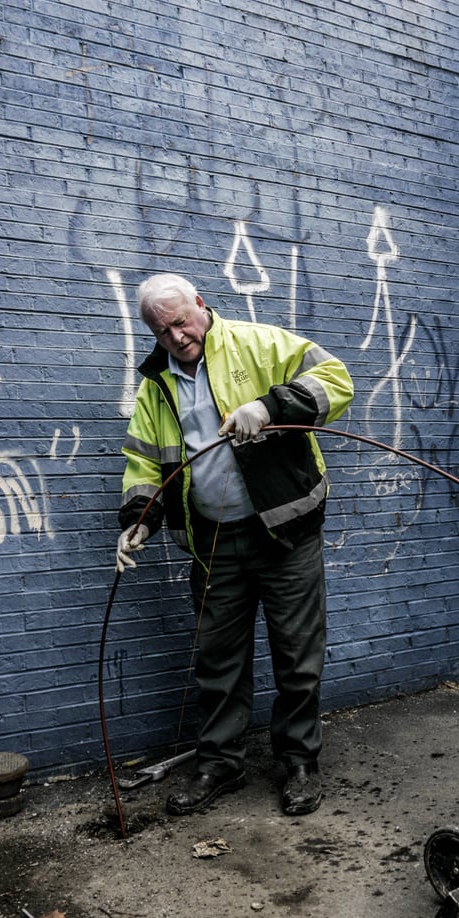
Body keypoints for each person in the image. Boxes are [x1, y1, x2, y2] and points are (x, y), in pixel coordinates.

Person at [116, 273, 354, 817]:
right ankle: (219, 763)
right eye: (162, 329)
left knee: (297, 656)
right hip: (214, 543)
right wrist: (141, 519)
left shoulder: (258, 342)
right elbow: (145, 462)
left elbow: (336, 379)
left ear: (201, 305)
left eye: (181, 321)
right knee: (218, 661)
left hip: (285, 532)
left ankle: (297, 762)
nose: (176, 336)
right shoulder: (156, 387)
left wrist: (272, 406)